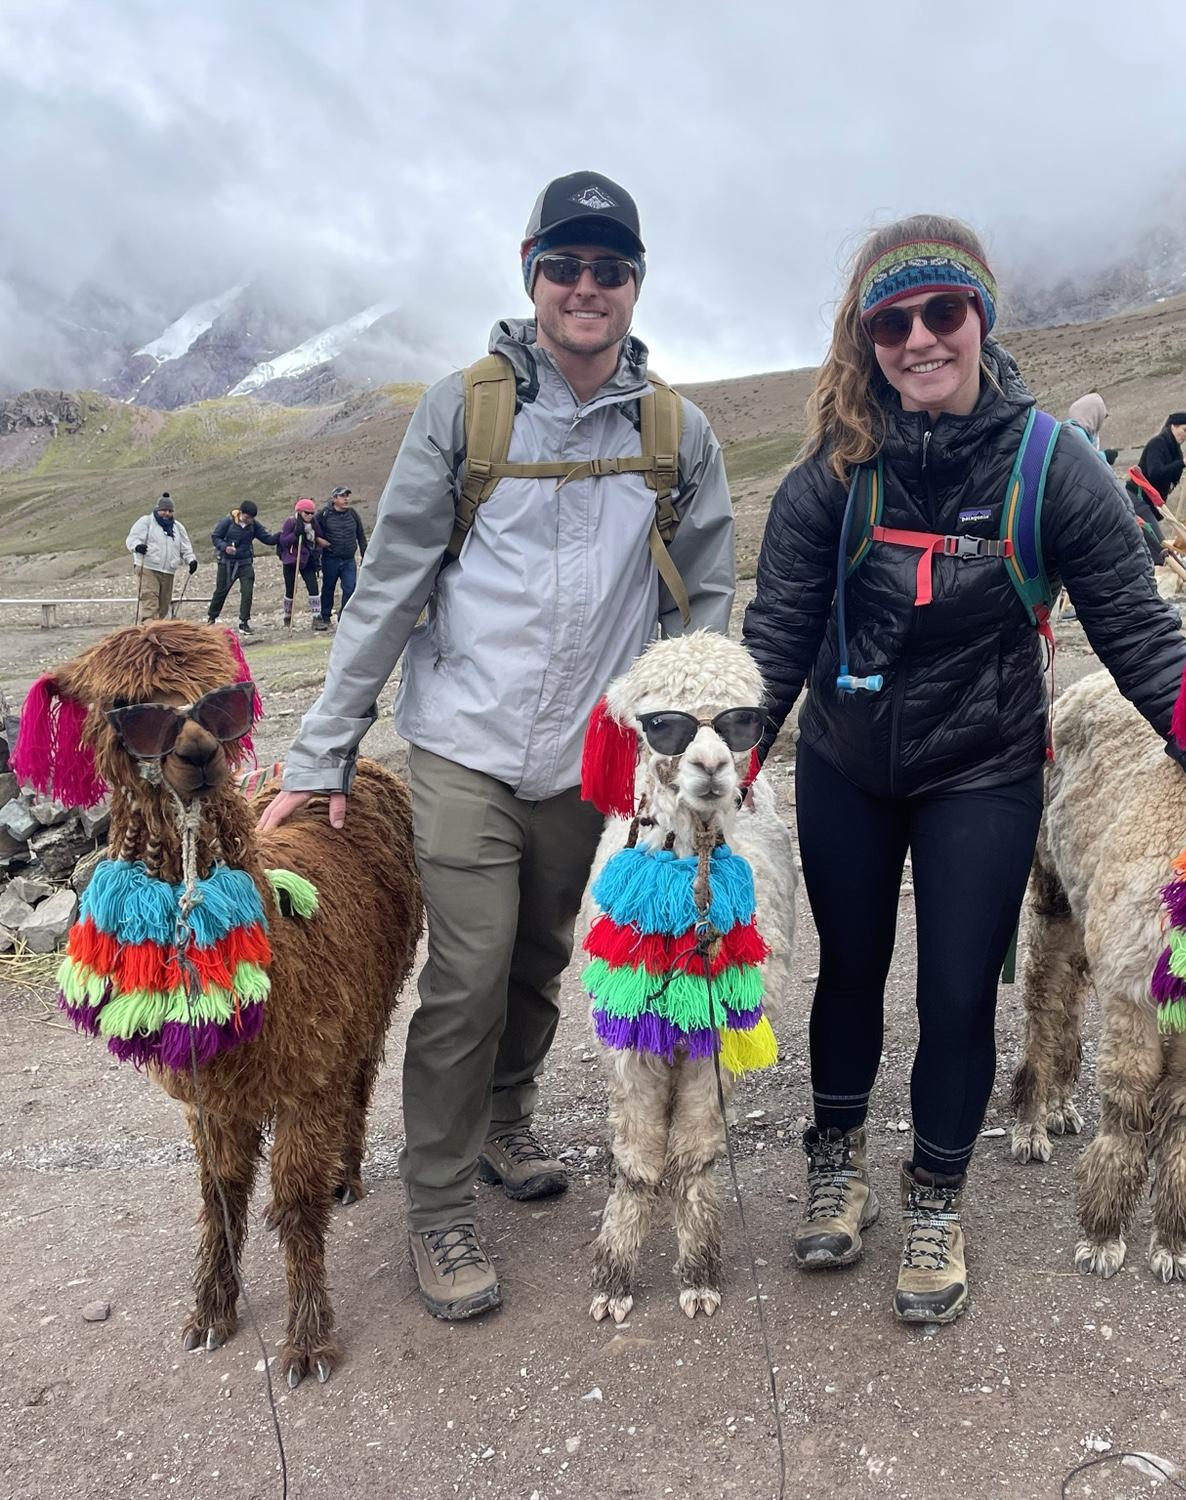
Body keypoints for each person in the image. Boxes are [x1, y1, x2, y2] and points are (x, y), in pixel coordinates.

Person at [257, 171, 735, 1322]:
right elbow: (388, 590)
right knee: (468, 972)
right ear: (531, 272)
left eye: (608, 269)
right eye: (565, 266)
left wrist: (697, 753)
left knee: (541, 957)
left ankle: (507, 1120)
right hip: (463, 746)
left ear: (634, 284)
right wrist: (322, 754)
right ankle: (437, 1205)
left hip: (594, 763)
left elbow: (704, 603)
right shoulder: (461, 413)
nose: (586, 288)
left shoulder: (676, 433)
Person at [741, 214, 1186, 1328]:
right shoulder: (834, 467)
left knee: (960, 989)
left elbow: (1140, 637)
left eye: (942, 313)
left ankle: (933, 1197)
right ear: (867, 338)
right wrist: (725, 757)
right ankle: (836, 1160)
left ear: (980, 319)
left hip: (986, 767)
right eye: (893, 322)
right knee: (852, 968)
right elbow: (776, 633)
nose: (920, 339)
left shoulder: (1052, 464)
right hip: (846, 759)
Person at [1126, 412, 1186, 564]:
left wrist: (1182, 465)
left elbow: (1170, 478)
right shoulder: (1157, 444)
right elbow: (1155, 473)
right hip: (1138, 498)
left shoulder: (1174, 448)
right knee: (1160, 548)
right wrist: (1182, 463)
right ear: (1174, 426)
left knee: (1151, 546)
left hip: (1150, 503)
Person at [206, 500, 278, 634]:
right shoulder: (227, 521)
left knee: (247, 592)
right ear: (241, 513)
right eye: (247, 517)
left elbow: (268, 539)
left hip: (245, 563)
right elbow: (216, 537)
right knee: (221, 590)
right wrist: (225, 547)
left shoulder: (254, 525)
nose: (249, 520)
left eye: (251, 518)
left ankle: (244, 622)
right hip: (226, 563)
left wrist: (283, 535)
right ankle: (212, 618)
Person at [126, 492, 196, 621]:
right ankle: (148, 631)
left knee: (163, 606)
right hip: (148, 567)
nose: (167, 513)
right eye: (164, 510)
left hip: (168, 571)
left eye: (169, 511)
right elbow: (132, 538)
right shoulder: (146, 522)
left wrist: (191, 560)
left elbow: (185, 547)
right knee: (150, 600)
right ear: (157, 509)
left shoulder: (178, 528)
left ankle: (157, 631)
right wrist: (137, 546)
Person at [313, 485, 367, 629]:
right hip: (330, 558)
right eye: (343, 496)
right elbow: (312, 529)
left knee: (350, 588)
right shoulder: (324, 514)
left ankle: (344, 615)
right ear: (334, 498)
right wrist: (319, 540)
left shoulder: (353, 514)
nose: (346, 499)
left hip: (349, 559)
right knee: (328, 588)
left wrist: (364, 554)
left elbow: (360, 535)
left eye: (347, 496)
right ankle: (325, 616)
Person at [278, 498, 325, 628]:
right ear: (299, 512)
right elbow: (283, 541)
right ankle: (288, 616)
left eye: (311, 513)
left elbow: (319, 538)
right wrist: (295, 534)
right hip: (291, 561)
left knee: (313, 587)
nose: (309, 515)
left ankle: (316, 618)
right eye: (306, 513)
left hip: (307, 560)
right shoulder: (290, 523)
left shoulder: (314, 524)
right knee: (290, 589)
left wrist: (317, 551)